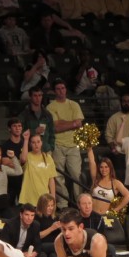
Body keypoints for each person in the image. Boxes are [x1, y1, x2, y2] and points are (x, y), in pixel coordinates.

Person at [47, 79, 84, 208]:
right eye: (58, 89)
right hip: (57, 144)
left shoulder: (74, 105)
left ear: (66, 89)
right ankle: (63, 204)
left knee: (76, 175)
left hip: (73, 145)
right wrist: (72, 123)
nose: (61, 91)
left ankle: (80, 203)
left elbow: (79, 124)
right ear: (54, 91)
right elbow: (55, 127)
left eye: (63, 88)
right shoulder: (51, 107)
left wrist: (64, 123)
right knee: (58, 176)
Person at [86, 147, 129, 216]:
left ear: (110, 168)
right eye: (101, 167)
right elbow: (91, 161)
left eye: (106, 167)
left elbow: (128, 196)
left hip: (105, 217)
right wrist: (89, 148)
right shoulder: (96, 178)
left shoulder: (115, 183)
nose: (104, 169)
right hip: (92, 214)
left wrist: (116, 210)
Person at [19, 131, 57, 207]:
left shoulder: (48, 157)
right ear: (30, 144)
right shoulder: (28, 156)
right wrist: (26, 140)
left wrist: (53, 198)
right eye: (33, 142)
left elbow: (51, 179)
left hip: (44, 198)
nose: (36, 144)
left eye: (38, 142)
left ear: (41, 143)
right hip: (28, 198)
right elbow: (23, 159)